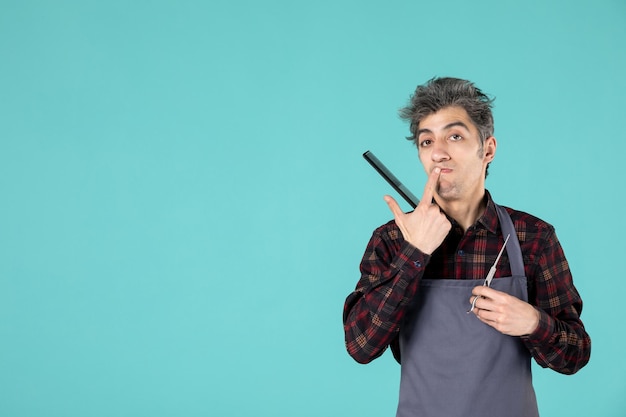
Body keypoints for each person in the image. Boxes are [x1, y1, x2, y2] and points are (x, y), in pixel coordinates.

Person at [342, 77, 591, 417]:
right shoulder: (392, 239)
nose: (438, 152)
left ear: (487, 149)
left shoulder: (533, 238)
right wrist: (414, 254)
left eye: (454, 136)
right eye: (426, 141)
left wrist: (533, 322)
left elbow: (575, 355)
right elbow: (361, 346)